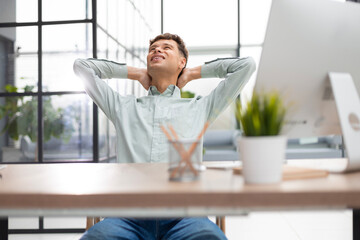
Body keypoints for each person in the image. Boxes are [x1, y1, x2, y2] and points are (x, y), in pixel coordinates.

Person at [74, 33, 255, 240]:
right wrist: (136, 73)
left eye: (166, 47)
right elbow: (82, 67)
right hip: (127, 216)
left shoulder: (201, 107)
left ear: (182, 62)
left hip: (186, 216)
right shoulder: (122, 106)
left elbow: (246, 66)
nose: (157, 50)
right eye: (153, 49)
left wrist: (193, 73)